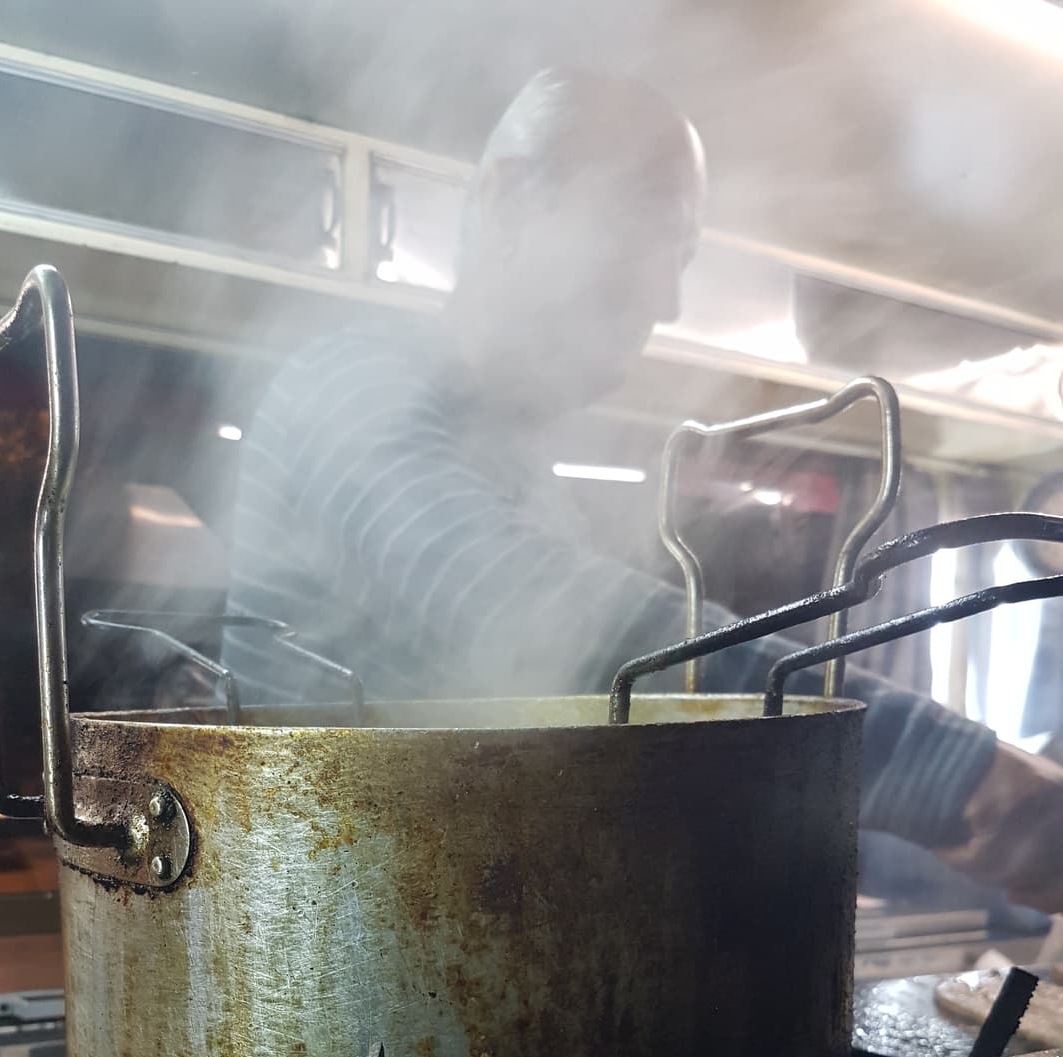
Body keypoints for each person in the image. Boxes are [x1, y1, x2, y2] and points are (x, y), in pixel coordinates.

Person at [224, 67, 1063, 915]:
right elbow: (543, 620)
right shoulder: (348, 385)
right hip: (322, 968)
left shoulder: (520, 476)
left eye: (683, 259)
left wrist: (963, 868)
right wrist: (958, 777)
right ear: (511, 201)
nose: (667, 299)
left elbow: (639, 755)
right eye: (649, 237)